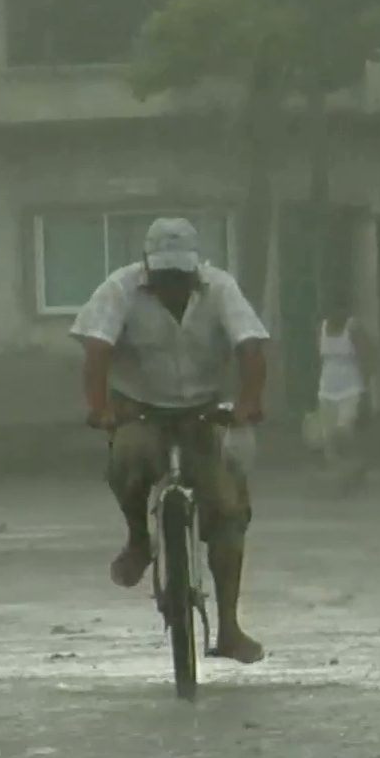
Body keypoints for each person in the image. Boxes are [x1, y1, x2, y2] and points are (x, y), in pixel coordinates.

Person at [70, 217, 269, 666]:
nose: (173, 285)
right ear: (147, 267)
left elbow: (251, 349)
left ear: (195, 268)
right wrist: (100, 408)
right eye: (164, 277)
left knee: (228, 509)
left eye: (181, 276)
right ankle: (139, 538)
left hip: (204, 411)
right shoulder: (119, 289)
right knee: (128, 457)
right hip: (142, 408)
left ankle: (230, 627)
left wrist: (248, 404)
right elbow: (97, 351)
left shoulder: (220, 288)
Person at [315, 290, 376, 490]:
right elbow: (321, 360)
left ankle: (355, 467)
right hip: (326, 390)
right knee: (328, 437)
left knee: (344, 432)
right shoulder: (322, 328)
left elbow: (367, 358)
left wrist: (366, 390)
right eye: (332, 309)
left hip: (350, 389)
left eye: (341, 308)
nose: (336, 313)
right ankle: (341, 476)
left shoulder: (353, 329)